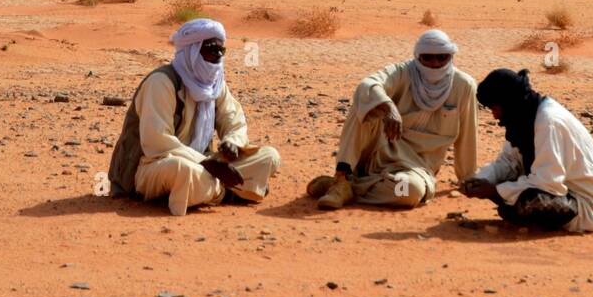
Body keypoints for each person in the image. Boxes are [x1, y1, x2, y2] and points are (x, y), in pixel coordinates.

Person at [107, 19, 279, 215]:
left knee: (269, 157)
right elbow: (156, 141)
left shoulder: (215, 85)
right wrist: (206, 164)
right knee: (183, 170)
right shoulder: (162, 83)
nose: (217, 57)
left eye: (221, 51)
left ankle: (212, 189)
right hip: (150, 165)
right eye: (211, 50)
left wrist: (232, 143)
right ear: (192, 50)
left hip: (204, 164)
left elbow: (234, 120)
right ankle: (231, 191)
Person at [307, 29, 477, 210]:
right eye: (428, 57)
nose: (435, 63)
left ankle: (348, 187)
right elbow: (367, 85)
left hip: (415, 170)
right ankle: (342, 176)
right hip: (378, 154)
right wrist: (388, 107)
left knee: (408, 193)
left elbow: (468, 134)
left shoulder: (464, 85)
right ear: (418, 57)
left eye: (442, 57)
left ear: (451, 56)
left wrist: (467, 177)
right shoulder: (403, 72)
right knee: (364, 101)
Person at [460, 68, 593, 233]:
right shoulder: (522, 120)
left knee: (531, 201)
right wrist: (480, 179)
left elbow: (547, 183)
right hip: (561, 192)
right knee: (509, 195)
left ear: (508, 101)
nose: (494, 115)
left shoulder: (548, 122)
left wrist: (494, 191)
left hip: (588, 207)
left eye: (495, 107)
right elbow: (508, 162)